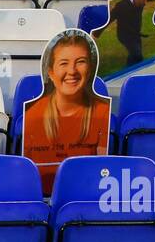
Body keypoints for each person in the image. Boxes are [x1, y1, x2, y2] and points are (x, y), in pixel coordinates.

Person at [23, 31, 111, 194]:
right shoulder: (33, 115)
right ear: (50, 72)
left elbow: (101, 174)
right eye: (64, 63)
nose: (72, 71)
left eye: (81, 62)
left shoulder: (102, 113)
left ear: (90, 69)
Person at [109, 0, 150, 67]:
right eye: (143, 1)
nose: (145, 3)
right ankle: (130, 71)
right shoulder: (122, 6)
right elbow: (110, 18)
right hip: (125, 35)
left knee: (135, 54)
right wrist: (96, 34)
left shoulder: (139, 0)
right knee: (137, 55)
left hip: (135, 33)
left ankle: (128, 69)